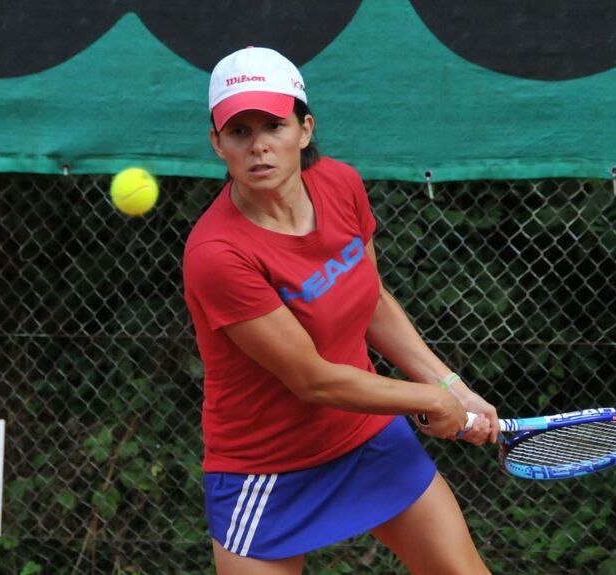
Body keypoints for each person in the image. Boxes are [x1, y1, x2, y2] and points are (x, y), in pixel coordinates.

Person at [183, 46, 498, 575]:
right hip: (267, 468)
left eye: (274, 126)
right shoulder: (218, 254)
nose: (259, 146)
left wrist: (452, 387)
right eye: (239, 132)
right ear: (218, 144)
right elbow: (313, 380)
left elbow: (371, 300)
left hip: (366, 435)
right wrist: (428, 400)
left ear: (305, 129)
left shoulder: (340, 184)